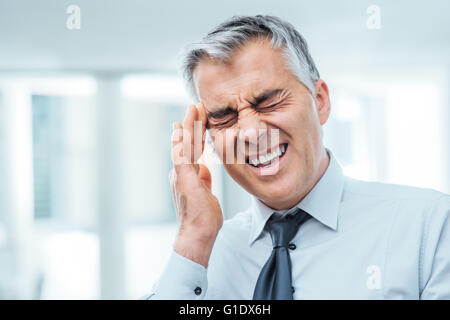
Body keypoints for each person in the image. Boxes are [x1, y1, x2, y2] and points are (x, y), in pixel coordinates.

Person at [146, 15, 450, 299]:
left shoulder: (430, 226)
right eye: (224, 118)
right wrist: (193, 238)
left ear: (320, 102)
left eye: (268, 102)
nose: (251, 133)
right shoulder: (200, 259)